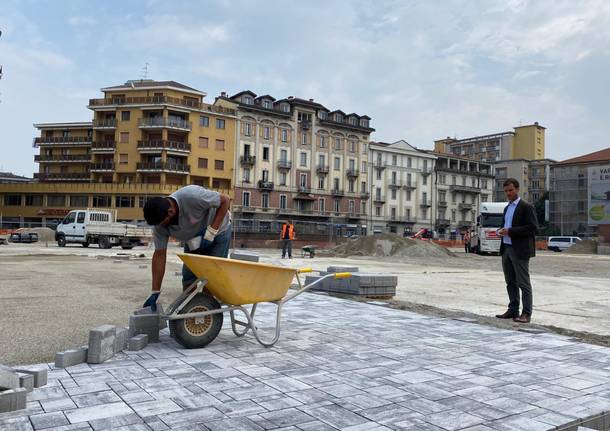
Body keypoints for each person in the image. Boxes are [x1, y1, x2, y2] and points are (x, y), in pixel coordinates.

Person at [142, 185, 232, 311]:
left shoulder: (191, 196)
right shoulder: (159, 225)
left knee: (210, 281)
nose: (161, 227)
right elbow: (159, 255)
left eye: (163, 223)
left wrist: (212, 231)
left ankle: (206, 315)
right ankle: (190, 313)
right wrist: (155, 291)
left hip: (219, 232)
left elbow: (225, 200)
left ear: (171, 211)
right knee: (189, 281)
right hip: (193, 240)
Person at [495, 178, 538, 323]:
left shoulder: (526, 207)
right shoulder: (507, 208)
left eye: (511, 190)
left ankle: (526, 314)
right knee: (510, 282)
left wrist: (510, 231)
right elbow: (504, 225)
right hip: (506, 248)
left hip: (519, 249)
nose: (508, 193)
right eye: (506, 191)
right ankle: (513, 310)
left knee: (523, 283)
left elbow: (533, 228)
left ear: (517, 189)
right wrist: (500, 231)